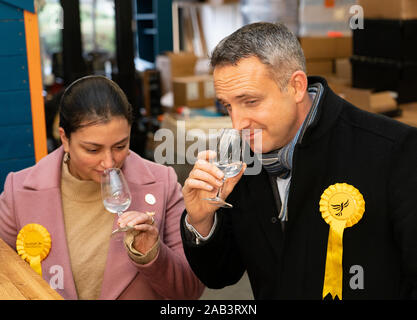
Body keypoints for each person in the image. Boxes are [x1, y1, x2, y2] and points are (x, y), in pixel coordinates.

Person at [180, 22, 417, 299]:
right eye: (228, 105)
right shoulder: (240, 161)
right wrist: (202, 221)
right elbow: (222, 274)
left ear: (296, 86)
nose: (238, 123)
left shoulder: (394, 151)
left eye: (251, 101)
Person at [0, 75, 204, 300]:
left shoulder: (162, 183)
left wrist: (152, 254)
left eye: (120, 146)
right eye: (92, 150)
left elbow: (188, 291)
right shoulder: (18, 192)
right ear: (64, 139)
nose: (109, 162)